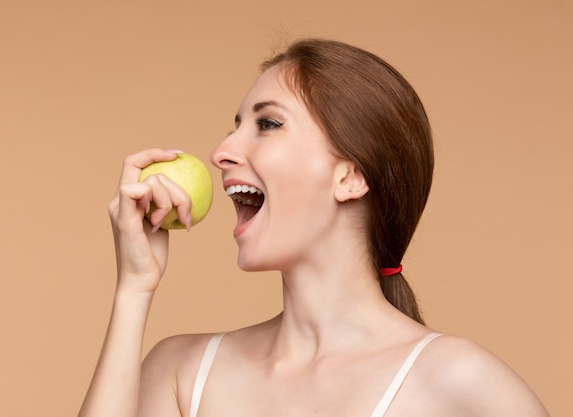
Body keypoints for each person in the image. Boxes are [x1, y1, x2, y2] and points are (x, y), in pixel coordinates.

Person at [79, 39, 550, 417]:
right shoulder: (182, 372)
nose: (221, 152)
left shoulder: (460, 383)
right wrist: (134, 289)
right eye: (236, 126)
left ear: (351, 176)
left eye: (267, 124)